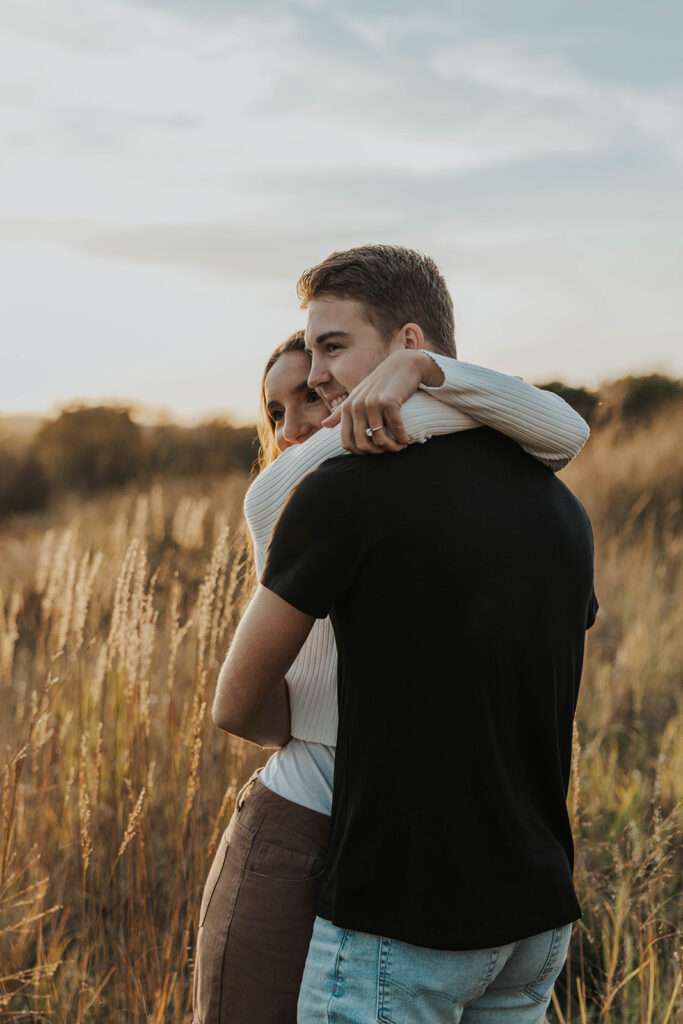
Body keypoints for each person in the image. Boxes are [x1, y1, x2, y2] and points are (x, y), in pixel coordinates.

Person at [199, 247, 592, 1024]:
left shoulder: (352, 490)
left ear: (408, 341)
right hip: (367, 835)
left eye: (331, 350)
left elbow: (563, 427)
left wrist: (427, 373)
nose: (310, 392)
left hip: (406, 871)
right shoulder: (556, 506)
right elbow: (560, 431)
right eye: (278, 408)